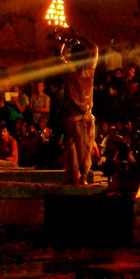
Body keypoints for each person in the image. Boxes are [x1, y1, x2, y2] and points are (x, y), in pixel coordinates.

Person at [53, 27, 99, 185]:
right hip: (83, 117)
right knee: (84, 151)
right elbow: (95, 48)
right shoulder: (90, 70)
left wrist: (64, 43)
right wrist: (79, 35)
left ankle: (74, 177)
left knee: (70, 148)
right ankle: (83, 177)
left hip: (70, 117)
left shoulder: (69, 70)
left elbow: (61, 57)